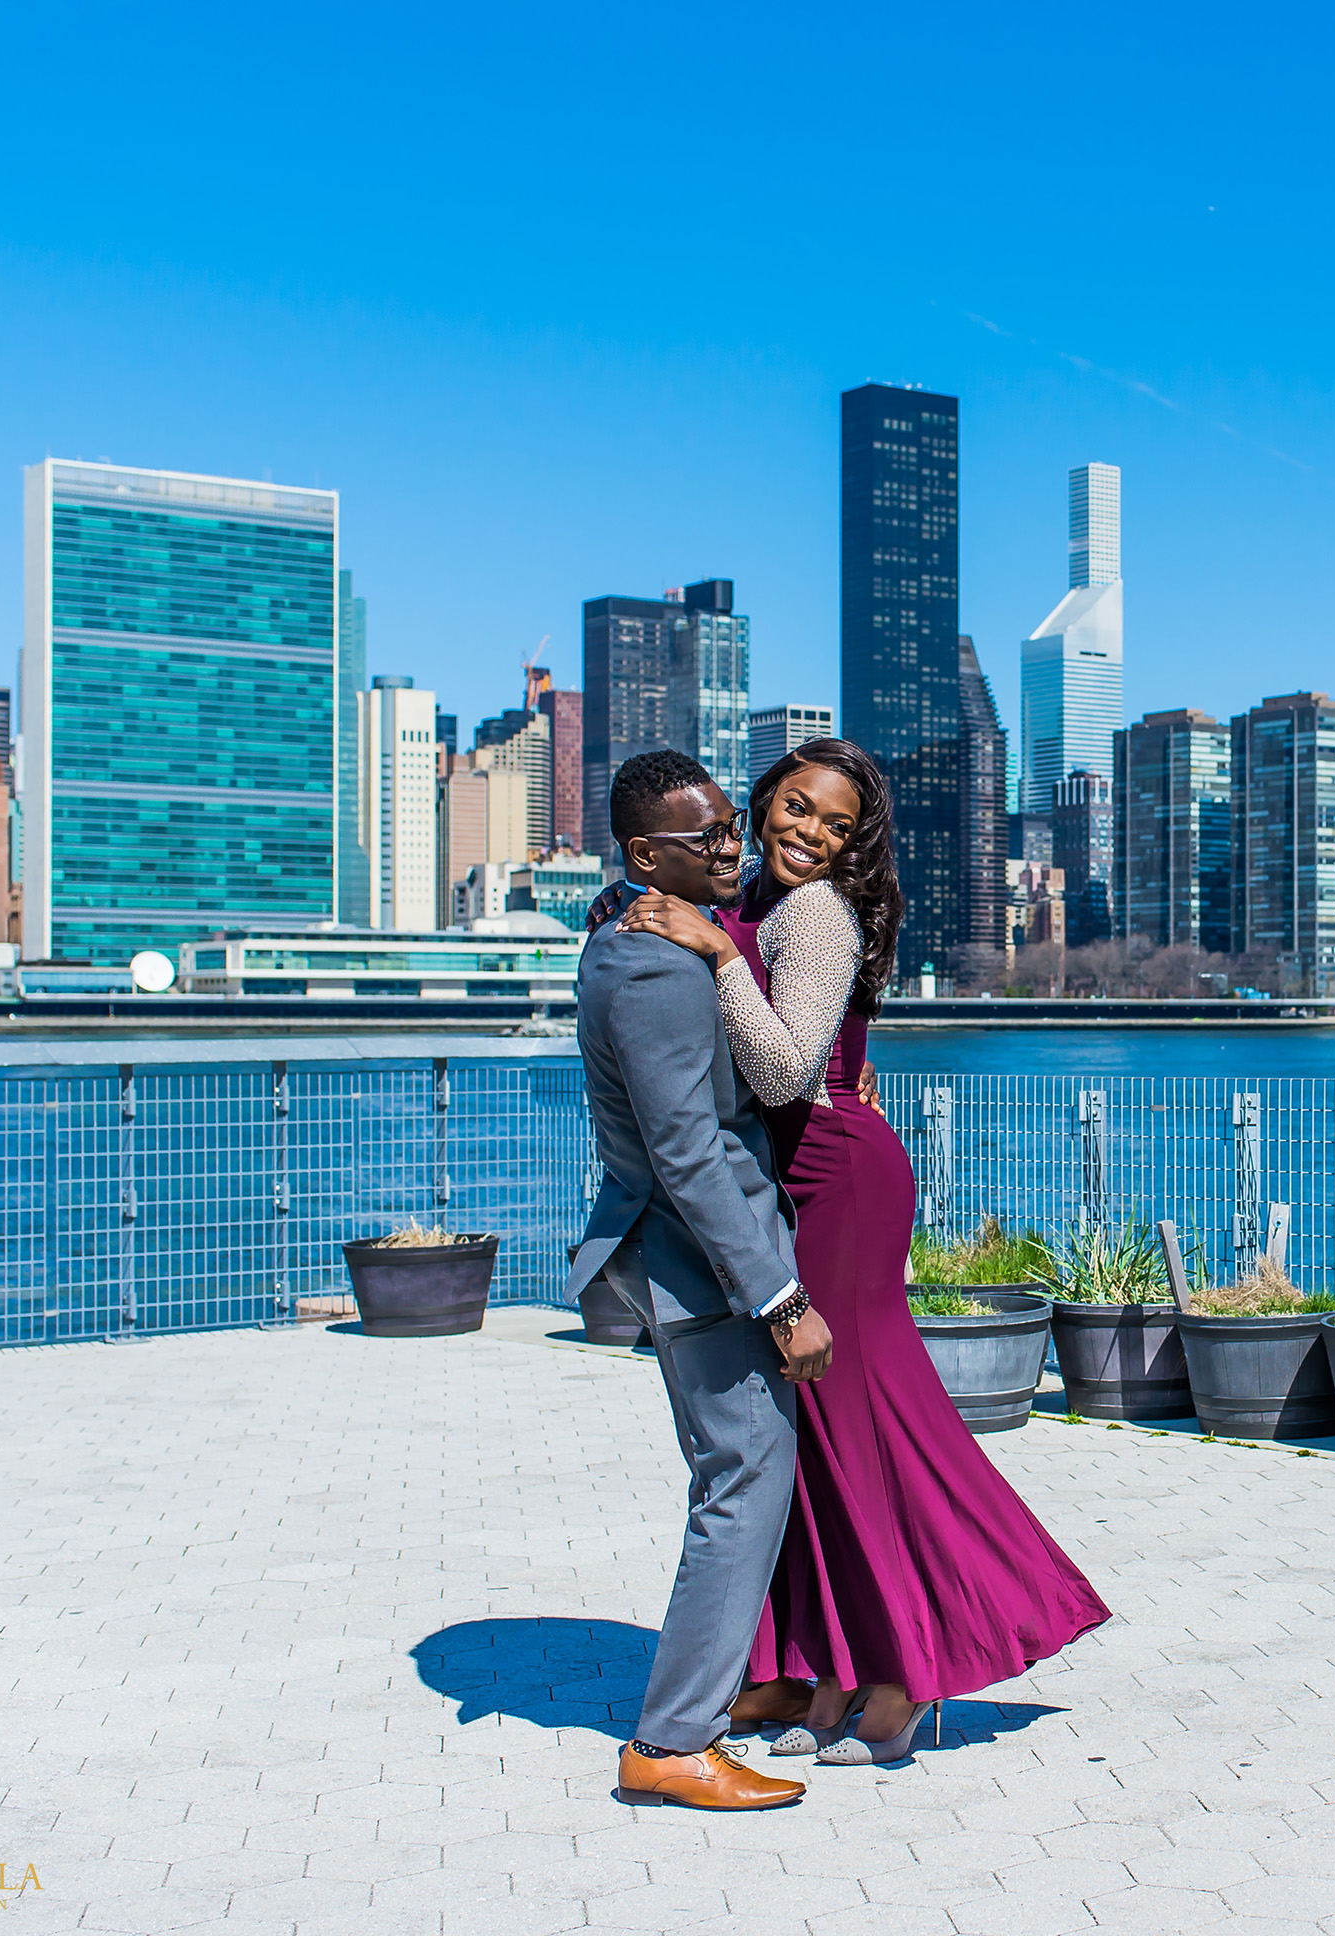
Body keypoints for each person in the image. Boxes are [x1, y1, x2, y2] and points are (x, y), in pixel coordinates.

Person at [596, 737, 1109, 1766]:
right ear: (761, 799)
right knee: (817, 1443)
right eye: (793, 805)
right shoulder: (729, 895)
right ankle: (826, 1666)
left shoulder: (814, 914)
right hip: (791, 1184)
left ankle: (915, 1668)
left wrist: (717, 954)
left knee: (866, 1425)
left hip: (837, 1179)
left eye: (832, 824)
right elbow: (671, 940)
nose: (806, 832)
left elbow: (785, 1073)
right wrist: (639, 917)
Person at [566, 749, 836, 1811]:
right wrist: (780, 1296)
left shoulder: (630, 925)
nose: (734, 846)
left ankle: (715, 1701)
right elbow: (688, 1152)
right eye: (710, 836)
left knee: (739, 1473)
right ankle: (673, 1741)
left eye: (731, 825)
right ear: (643, 855)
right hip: (705, 1268)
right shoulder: (653, 963)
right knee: (741, 1479)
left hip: (696, 1257)